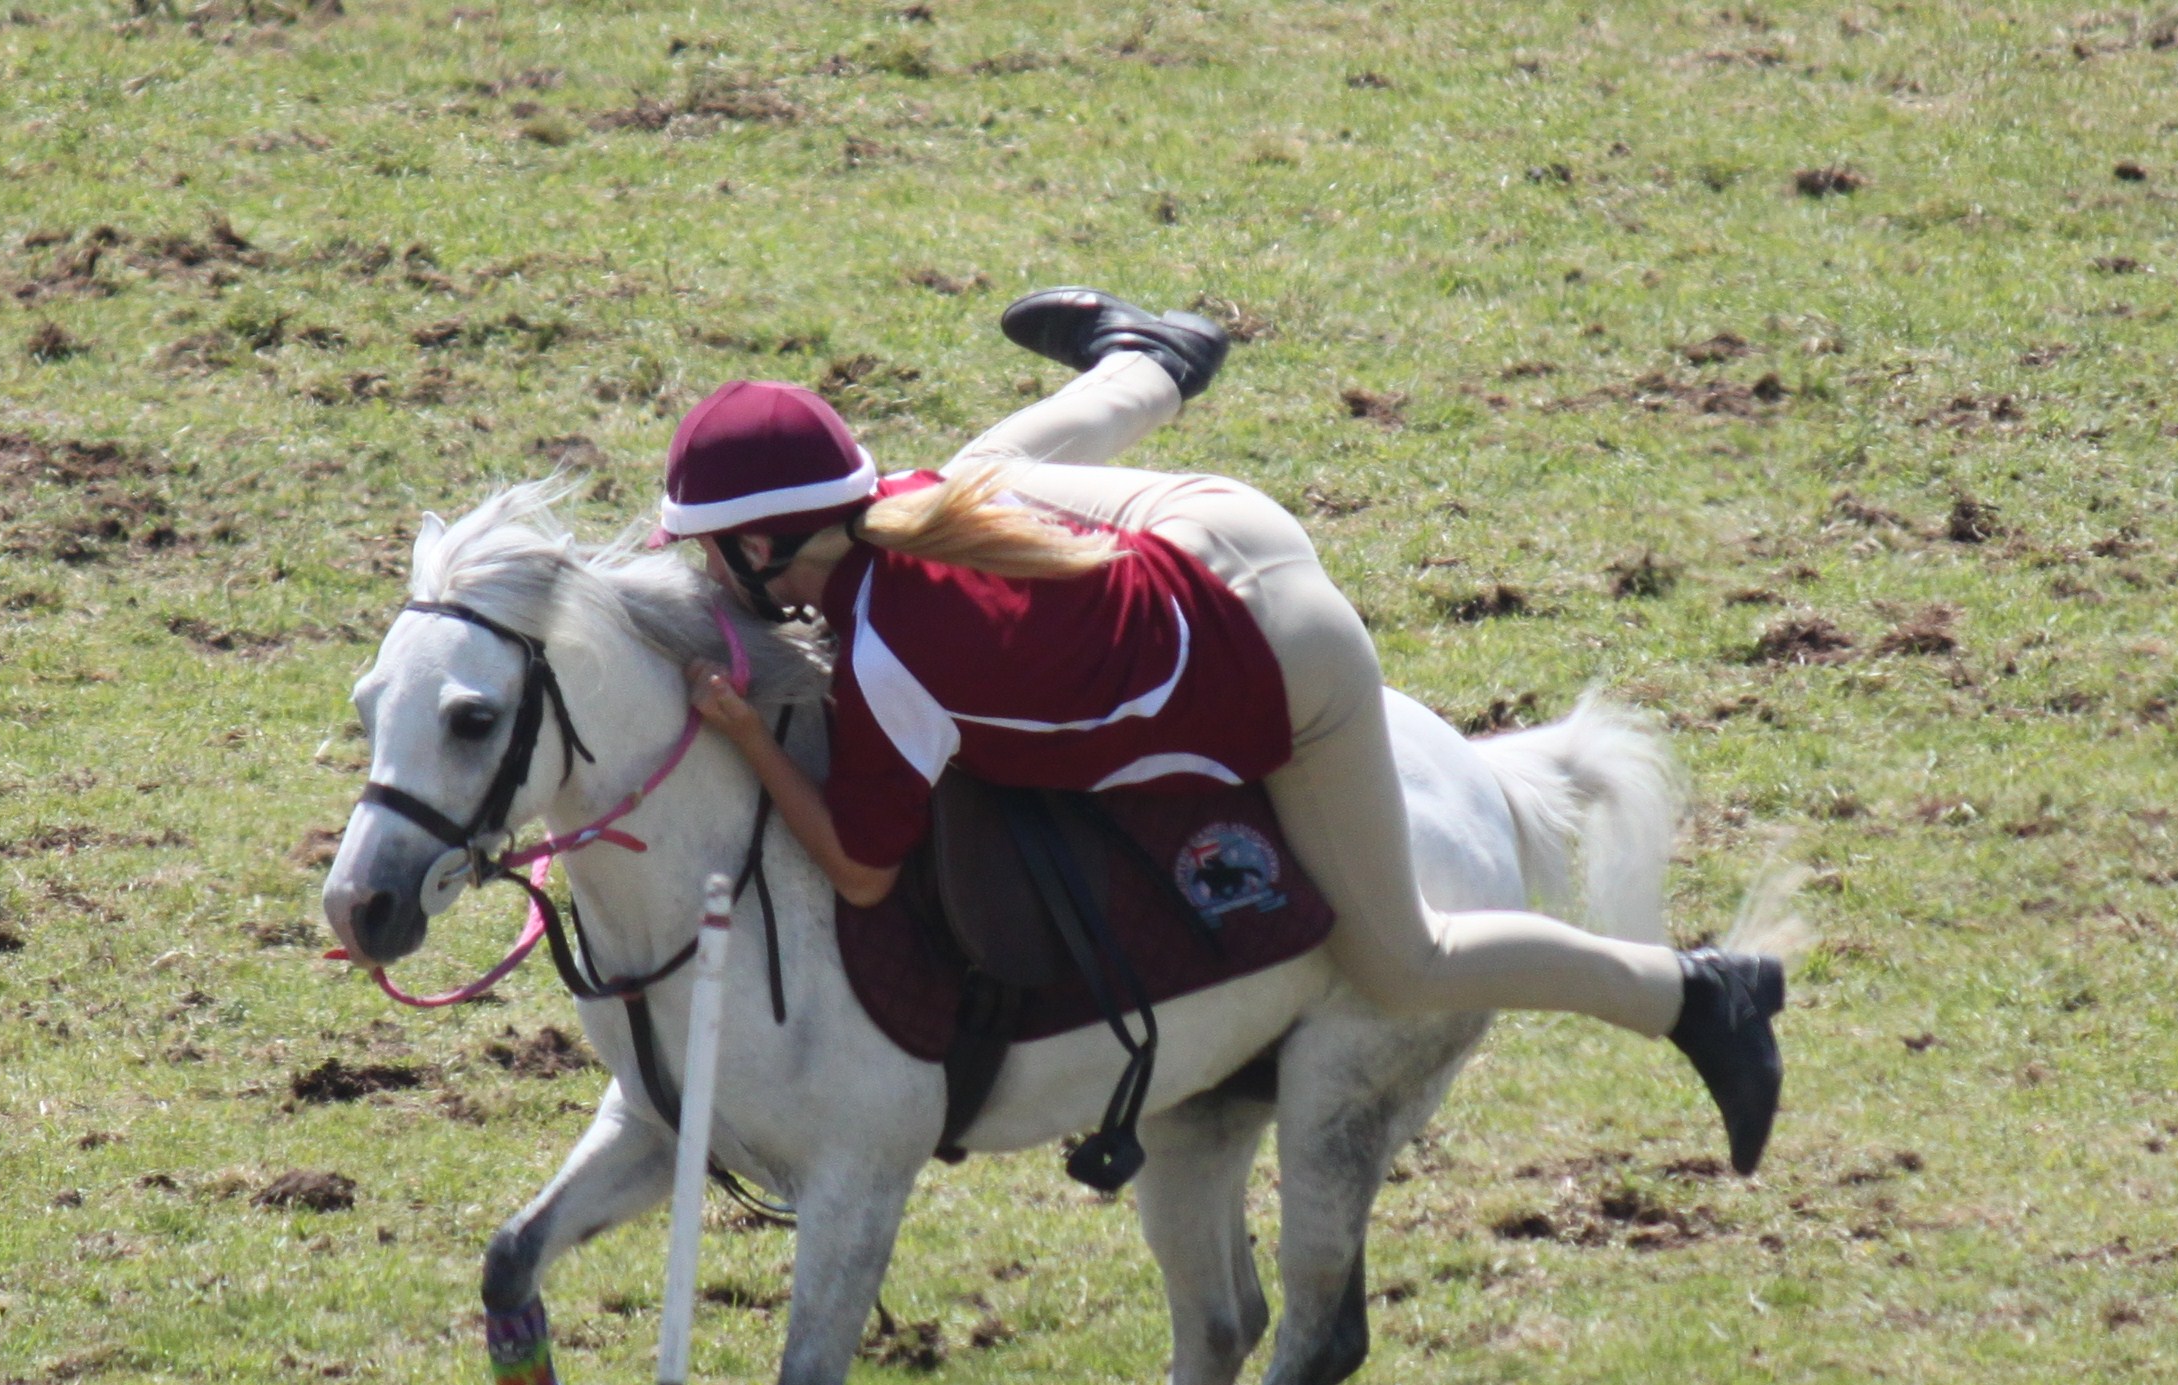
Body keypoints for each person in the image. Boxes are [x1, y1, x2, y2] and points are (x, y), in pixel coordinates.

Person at [657, 288, 1790, 1172]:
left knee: (1403, 960)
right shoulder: (898, 502)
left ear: (764, 549)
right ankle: (1150, 357)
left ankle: (1697, 995)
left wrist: (744, 735)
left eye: (708, 551)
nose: (699, 573)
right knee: (983, 469)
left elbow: (859, 872)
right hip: (1209, 521)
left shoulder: (880, 659)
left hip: (1293, 656)